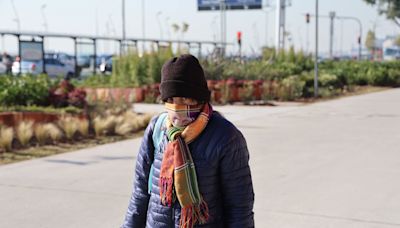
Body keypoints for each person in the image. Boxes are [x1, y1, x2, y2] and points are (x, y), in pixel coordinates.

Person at [122, 54, 254, 228]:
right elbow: (140, 194)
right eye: (170, 100)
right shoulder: (157, 129)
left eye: (184, 99)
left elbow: (239, 208)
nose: (176, 107)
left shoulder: (226, 137)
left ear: (198, 98)